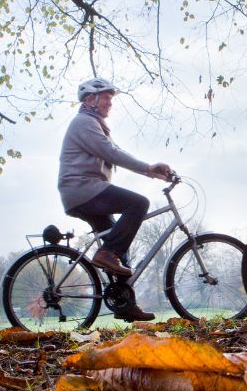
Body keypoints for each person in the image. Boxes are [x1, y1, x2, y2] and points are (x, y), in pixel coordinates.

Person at [58, 77, 172, 322]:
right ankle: (106, 254)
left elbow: (116, 151)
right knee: (138, 204)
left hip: (86, 190)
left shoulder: (94, 124)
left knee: (118, 250)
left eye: (111, 99)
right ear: (90, 99)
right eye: (106, 98)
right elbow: (112, 153)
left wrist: (151, 171)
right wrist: (149, 167)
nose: (110, 103)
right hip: (84, 189)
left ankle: (124, 303)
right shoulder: (84, 122)